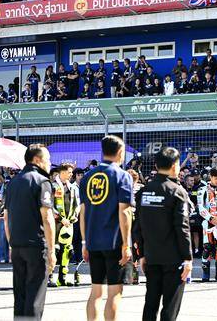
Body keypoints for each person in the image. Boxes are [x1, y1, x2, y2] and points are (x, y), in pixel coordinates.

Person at [134, 147, 192, 321]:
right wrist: (187, 258)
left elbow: (137, 226)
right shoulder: (177, 191)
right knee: (170, 308)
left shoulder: (144, 191)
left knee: (150, 304)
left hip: (151, 256)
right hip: (173, 259)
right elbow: (182, 227)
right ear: (175, 166)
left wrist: (141, 254)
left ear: (156, 165)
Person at [79, 136, 134, 321]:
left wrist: (84, 241)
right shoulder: (122, 176)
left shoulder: (87, 177)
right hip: (114, 241)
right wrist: (126, 244)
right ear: (120, 152)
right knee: (114, 292)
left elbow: (83, 212)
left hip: (93, 241)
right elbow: (124, 211)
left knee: (95, 291)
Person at [4, 144, 57, 319]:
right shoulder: (42, 181)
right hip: (36, 246)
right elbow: (47, 218)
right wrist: (51, 250)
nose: (50, 163)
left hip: (17, 245)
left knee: (20, 295)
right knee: (35, 295)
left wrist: (11, 244)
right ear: (37, 160)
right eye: (47, 159)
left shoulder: (13, 182)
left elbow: (6, 217)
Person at [47, 163, 79, 287]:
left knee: (67, 250)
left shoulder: (73, 188)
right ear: (62, 172)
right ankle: (49, 277)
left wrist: (74, 216)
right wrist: (61, 218)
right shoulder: (52, 186)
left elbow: (77, 204)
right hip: (55, 223)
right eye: (69, 172)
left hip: (69, 224)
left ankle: (62, 278)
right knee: (54, 249)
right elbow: (49, 205)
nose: (71, 174)